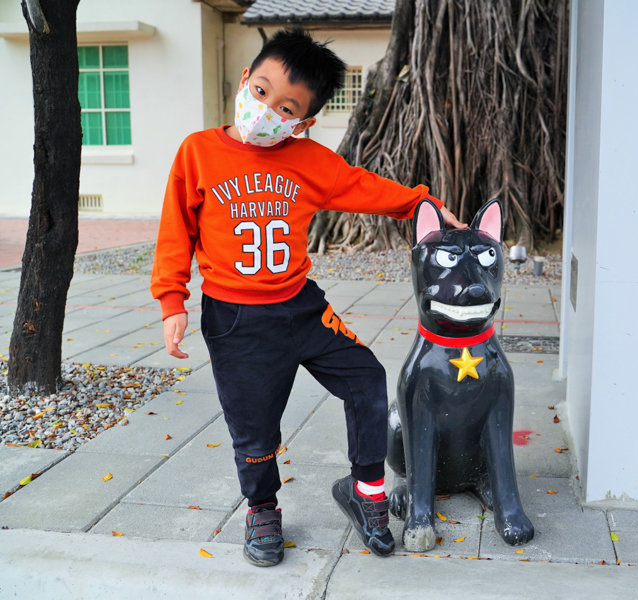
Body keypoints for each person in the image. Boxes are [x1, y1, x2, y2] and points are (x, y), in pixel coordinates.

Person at [150, 27, 465, 567]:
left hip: (302, 308)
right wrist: (172, 302)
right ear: (246, 80)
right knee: (254, 428)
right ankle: (262, 508)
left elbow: (366, 187)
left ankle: (364, 493)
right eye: (262, 91)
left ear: (304, 121)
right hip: (235, 321)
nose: (267, 108)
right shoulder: (199, 152)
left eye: (286, 107)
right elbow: (175, 229)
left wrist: (421, 205)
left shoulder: (309, 160)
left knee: (367, 382)